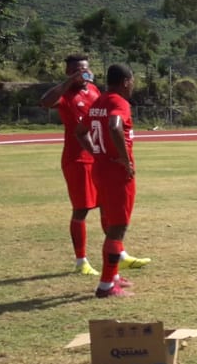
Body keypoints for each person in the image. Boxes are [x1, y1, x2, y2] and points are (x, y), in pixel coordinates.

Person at [39, 54, 148, 276]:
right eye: (79, 70)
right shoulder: (65, 94)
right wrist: (69, 83)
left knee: (108, 207)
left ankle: (120, 255)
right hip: (76, 159)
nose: (84, 74)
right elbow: (46, 102)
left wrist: (97, 151)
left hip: (99, 159)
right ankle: (81, 261)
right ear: (69, 73)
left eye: (86, 69)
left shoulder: (96, 93)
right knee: (81, 209)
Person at [83, 63, 144, 298]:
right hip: (116, 174)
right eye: (133, 82)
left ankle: (114, 275)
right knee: (118, 228)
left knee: (111, 224)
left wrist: (95, 152)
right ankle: (107, 285)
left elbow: (81, 131)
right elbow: (114, 125)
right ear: (126, 81)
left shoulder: (98, 101)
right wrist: (124, 159)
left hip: (100, 169)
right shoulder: (119, 102)